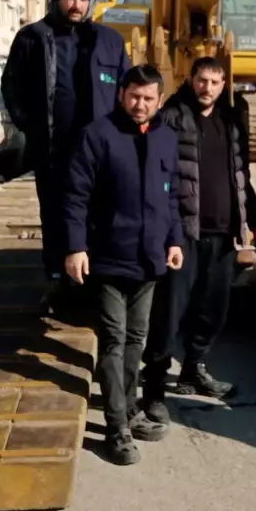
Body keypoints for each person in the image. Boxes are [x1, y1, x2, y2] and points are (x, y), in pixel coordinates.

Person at [62, 65, 184, 465]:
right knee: (114, 341)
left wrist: (174, 241)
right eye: (134, 96)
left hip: (149, 260)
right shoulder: (98, 136)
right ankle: (117, 429)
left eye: (149, 98)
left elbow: (171, 199)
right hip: (110, 257)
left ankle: (127, 406)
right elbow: (75, 196)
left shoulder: (166, 138)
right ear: (121, 95)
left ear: (160, 101)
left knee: (137, 340)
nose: (140, 104)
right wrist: (76, 247)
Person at [143, 57, 256, 418]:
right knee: (170, 313)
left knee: (213, 310)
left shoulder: (230, 122)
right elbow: (156, 175)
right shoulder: (171, 117)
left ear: (224, 84)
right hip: (183, 234)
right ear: (191, 80)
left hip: (223, 233)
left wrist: (255, 225)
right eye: (202, 80)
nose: (207, 88)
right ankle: (153, 390)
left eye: (215, 82)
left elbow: (241, 177)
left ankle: (193, 369)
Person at [2, 0, 131, 313]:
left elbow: (126, 89)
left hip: (98, 152)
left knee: (99, 215)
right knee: (56, 216)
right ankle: (57, 283)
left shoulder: (108, 41)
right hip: (54, 149)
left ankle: (96, 284)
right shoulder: (33, 38)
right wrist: (29, 127)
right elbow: (11, 87)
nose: (77, 5)